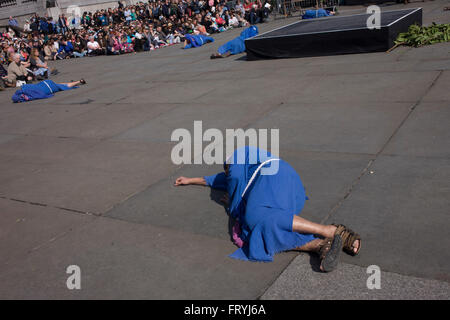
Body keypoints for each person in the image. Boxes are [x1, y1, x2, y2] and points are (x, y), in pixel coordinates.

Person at [174, 146, 361, 271]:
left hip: (272, 178)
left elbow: (235, 179)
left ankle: (329, 231)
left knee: (253, 219)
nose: (227, 175)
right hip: (291, 190)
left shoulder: (237, 160)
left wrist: (232, 203)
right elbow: (219, 179)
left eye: (227, 171)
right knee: (268, 222)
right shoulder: (250, 161)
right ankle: (320, 245)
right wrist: (190, 180)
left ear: (228, 165)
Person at [11, 79, 86, 103]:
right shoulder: (24, 87)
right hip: (45, 83)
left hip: (49, 88)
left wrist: (49, 95)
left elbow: (41, 95)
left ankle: (78, 81)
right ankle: (76, 81)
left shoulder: (28, 97)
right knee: (59, 84)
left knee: (63, 86)